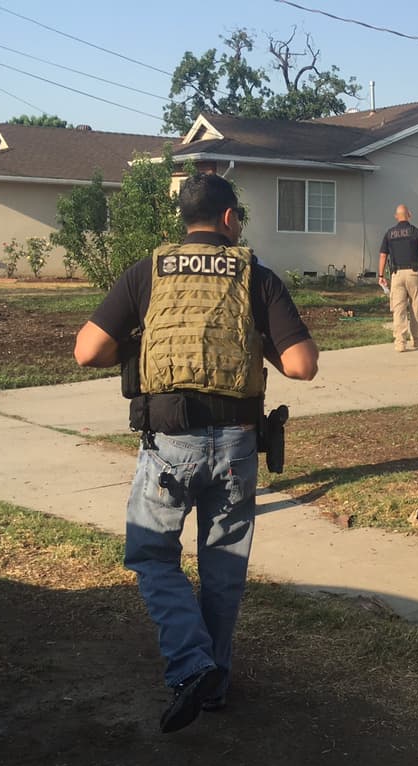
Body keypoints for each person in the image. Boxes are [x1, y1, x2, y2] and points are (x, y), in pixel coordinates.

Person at [73, 174, 319, 733]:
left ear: (184, 221)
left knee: (152, 556)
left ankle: (191, 664)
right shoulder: (255, 275)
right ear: (230, 219)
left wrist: (136, 341)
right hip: (236, 445)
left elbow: (88, 350)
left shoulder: (149, 273)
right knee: (223, 570)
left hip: (169, 446)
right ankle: (215, 684)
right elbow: (302, 365)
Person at [378, 205, 418, 352]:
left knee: (399, 309)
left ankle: (400, 343)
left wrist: (380, 275)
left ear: (396, 216)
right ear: (409, 215)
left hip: (396, 275)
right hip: (413, 274)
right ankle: (417, 340)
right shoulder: (417, 232)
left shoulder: (389, 234)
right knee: (415, 307)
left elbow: (383, 255)